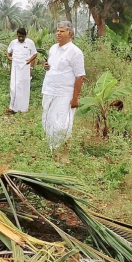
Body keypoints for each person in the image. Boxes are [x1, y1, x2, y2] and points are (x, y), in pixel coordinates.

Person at [41, 21, 85, 162]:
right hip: (49, 90)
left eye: (61, 31)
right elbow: (52, 67)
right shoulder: (53, 48)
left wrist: (75, 98)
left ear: (70, 34)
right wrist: (47, 66)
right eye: (57, 31)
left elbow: (79, 76)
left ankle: (65, 153)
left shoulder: (75, 52)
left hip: (65, 94)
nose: (58, 33)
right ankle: (54, 153)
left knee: (64, 124)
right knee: (49, 123)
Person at [6, 28, 37, 114]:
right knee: (14, 87)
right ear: (17, 35)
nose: (20, 39)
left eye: (22, 37)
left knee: (23, 88)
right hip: (16, 67)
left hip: (25, 68)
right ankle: (12, 107)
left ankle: (22, 108)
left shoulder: (30, 43)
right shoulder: (13, 43)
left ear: (25, 36)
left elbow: (35, 54)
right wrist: (9, 57)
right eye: (19, 36)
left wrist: (29, 61)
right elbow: (8, 52)